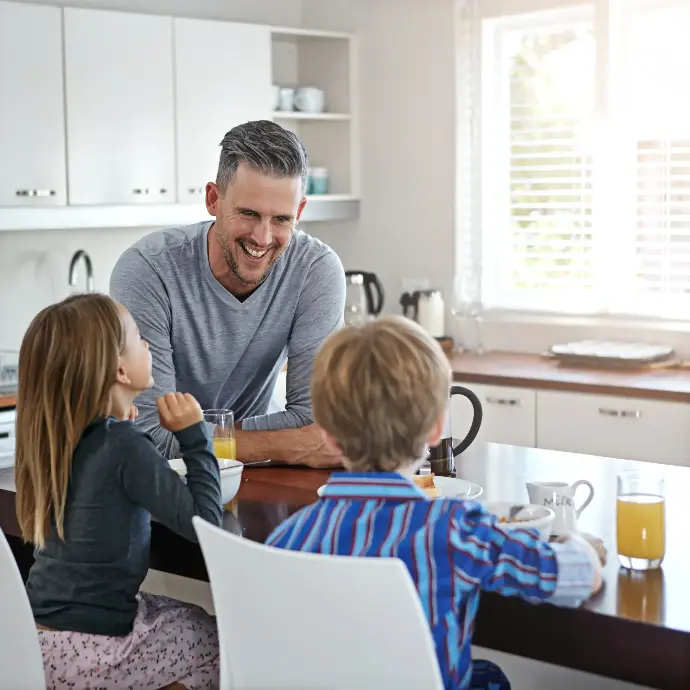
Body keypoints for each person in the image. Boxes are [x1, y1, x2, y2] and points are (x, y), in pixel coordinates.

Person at [266, 316, 605, 690]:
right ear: (437, 428)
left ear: (328, 437)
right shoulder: (455, 530)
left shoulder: (288, 539)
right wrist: (581, 545)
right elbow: (576, 577)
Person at [14, 293, 223, 690]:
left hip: (37, 644)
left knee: (186, 615)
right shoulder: (123, 446)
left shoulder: (56, 441)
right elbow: (207, 523)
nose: (148, 345)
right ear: (120, 372)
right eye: (140, 338)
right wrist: (195, 436)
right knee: (217, 641)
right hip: (92, 652)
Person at [110, 120, 346, 465]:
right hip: (163, 487)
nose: (263, 238)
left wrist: (197, 436)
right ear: (213, 199)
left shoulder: (316, 271)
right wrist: (282, 444)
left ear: (299, 212)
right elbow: (153, 439)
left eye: (281, 219)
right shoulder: (148, 270)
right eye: (249, 214)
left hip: (259, 482)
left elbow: (314, 422)